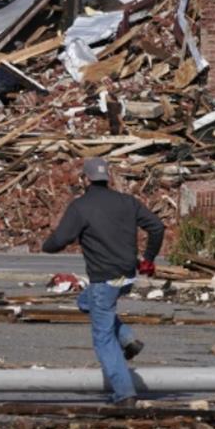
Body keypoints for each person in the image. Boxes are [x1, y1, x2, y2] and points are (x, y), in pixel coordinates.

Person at [42, 157, 165, 406]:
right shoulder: (126, 201)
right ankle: (128, 339)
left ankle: (125, 394)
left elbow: (60, 240)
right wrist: (148, 259)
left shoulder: (81, 207)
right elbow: (157, 227)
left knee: (103, 338)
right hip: (127, 277)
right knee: (85, 301)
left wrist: (47, 245)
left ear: (85, 179)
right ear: (107, 178)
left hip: (104, 282)